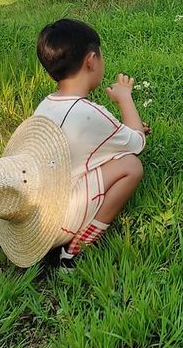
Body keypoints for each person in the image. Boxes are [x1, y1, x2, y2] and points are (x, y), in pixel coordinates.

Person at [32, 18, 149, 265]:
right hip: (60, 223)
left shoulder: (45, 105)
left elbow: (93, 146)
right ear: (91, 60)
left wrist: (122, 131)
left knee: (116, 156)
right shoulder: (87, 113)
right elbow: (137, 142)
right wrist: (125, 98)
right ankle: (76, 249)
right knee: (130, 166)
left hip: (38, 219)